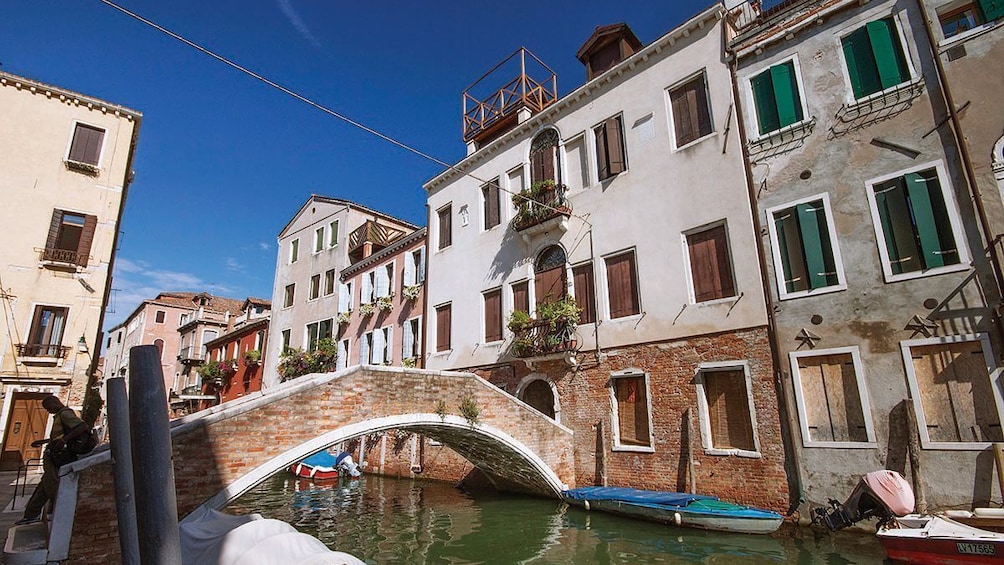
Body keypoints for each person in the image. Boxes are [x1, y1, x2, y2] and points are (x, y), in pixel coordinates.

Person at [16, 396, 91, 525]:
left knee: (52, 484)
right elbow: (58, 436)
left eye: (48, 407)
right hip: (52, 455)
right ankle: (31, 514)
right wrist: (44, 441)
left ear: (54, 403)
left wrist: (64, 440)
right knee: (45, 485)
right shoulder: (59, 415)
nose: (48, 411)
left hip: (57, 456)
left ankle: (59, 512)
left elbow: (82, 426)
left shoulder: (65, 414)